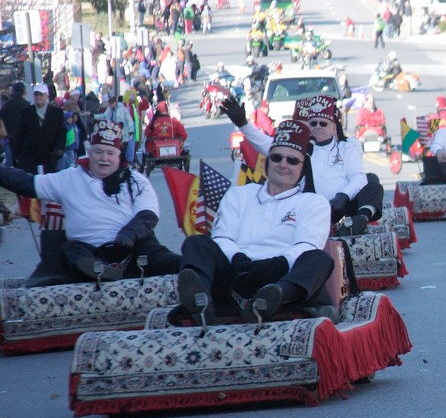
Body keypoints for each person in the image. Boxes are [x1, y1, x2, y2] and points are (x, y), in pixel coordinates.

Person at [167, 119, 335, 325]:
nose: (283, 164)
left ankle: (271, 299)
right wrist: (238, 258)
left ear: (302, 168)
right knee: (196, 243)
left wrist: (277, 264)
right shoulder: (238, 194)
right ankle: (200, 301)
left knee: (318, 259)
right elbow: (222, 236)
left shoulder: (314, 202)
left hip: (281, 276)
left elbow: (308, 244)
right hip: (237, 273)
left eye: (292, 160)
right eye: (276, 158)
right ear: (267, 162)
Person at [0, 119, 180, 286]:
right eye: (98, 152)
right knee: (70, 250)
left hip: (131, 247)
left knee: (158, 254)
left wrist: (129, 234)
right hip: (88, 250)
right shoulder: (70, 177)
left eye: (110, 153)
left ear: (119, 156)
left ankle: (190, 271)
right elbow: (27, 183)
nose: (104, 158)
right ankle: (100, 272)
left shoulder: (135, 179)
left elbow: (148, 214)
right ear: (90, 152)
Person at [220, 94, 384, 236]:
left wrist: (343, 195)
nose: (318, 127)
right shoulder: (301, 148)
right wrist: (244, 125)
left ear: (334, 126)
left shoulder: (347, 147)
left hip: (342, 206)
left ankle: (361, 219)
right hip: (309, 207)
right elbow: (268, 145)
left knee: (371, 181)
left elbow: (357, 177)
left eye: (323, 123)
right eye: (313, 123)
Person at [12, 84, 66, 173]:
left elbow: (61, 131)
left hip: (49, 153)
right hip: (30, 154)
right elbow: (20, 133)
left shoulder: (57, 112)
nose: (38, 97)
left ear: (47, 96)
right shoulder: (26, 112)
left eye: (41, 95)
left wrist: (60, 147)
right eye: (36, 95)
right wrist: (17, 152)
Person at [0, 82, 30, 166]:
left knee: (11, 159)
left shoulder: (6, 104)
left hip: (9, 136)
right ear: (24, 91)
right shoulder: (26, 105)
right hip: (23, 137)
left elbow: (1, 118)